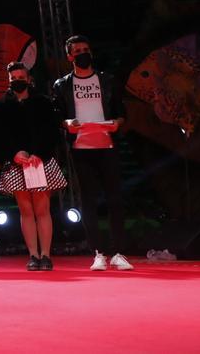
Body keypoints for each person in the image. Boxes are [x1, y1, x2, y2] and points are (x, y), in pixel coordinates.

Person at [53, 35, 132, 271]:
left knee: (115, 198)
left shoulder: (106, 81)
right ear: (70, 57)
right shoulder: (62, 85)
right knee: (88, 200)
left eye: (86, 49)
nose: (82, 53)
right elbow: (57, 116)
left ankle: (119, 252)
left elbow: (120, 111)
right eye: (77, 51)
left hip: (107, 146)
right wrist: (67, 123)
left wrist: (117, 122)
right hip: (81, 148)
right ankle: (98, 252)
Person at [0, 62, 67, 270]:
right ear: (8, 80)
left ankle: (46, 255)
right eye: (13, 78)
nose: (17, 80)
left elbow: (52, 131)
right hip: (17, 164)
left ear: (28, 78)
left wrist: (39, 153)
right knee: (26, 210)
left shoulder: (42, 102)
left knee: (42, 209)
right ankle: (33, 255)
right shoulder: (2, 106)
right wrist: (14, 153)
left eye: (20, 77)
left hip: (40, 161)